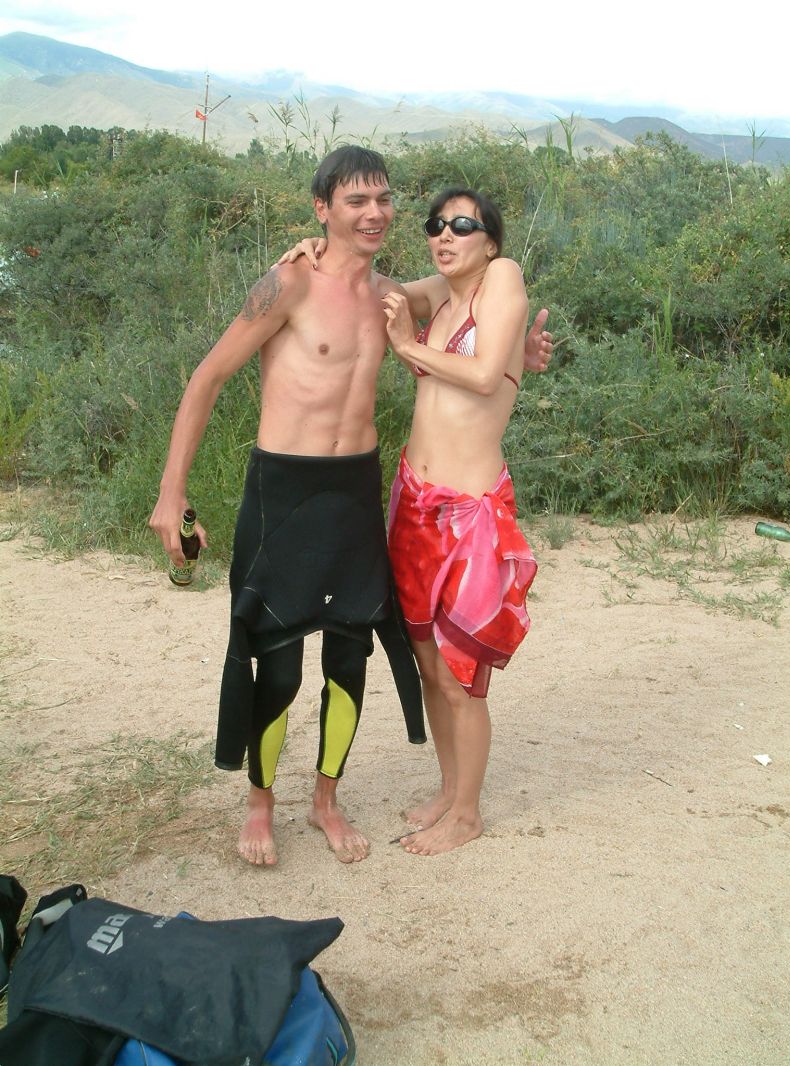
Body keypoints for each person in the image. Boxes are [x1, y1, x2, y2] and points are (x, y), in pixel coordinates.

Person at [149, 146, 552, 868]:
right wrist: (170, 491)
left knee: (349, 659)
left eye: (384, 200)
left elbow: (478, 305)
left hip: (357, 490)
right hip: (285, 490)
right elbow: (206, 378)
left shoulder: (393, 296)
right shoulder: (289, 283)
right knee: (276, 662)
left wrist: (521, 349)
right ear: (323, 209)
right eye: (356, 201)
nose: (375, 213)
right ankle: (260, 804)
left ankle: (326, 802)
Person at [384, 189, 540, 855]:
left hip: (468, 514)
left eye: (462, 225)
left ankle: (468, 814)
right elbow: (375, 288)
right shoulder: (440, 295)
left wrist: (406, 346)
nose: (445, 235)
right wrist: (314, 250)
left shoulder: (500, 278)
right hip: (414, 502)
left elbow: (480, 377)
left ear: (491, 240)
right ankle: (449, 791)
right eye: (435, 226)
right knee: (427, 662)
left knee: (460, 675)